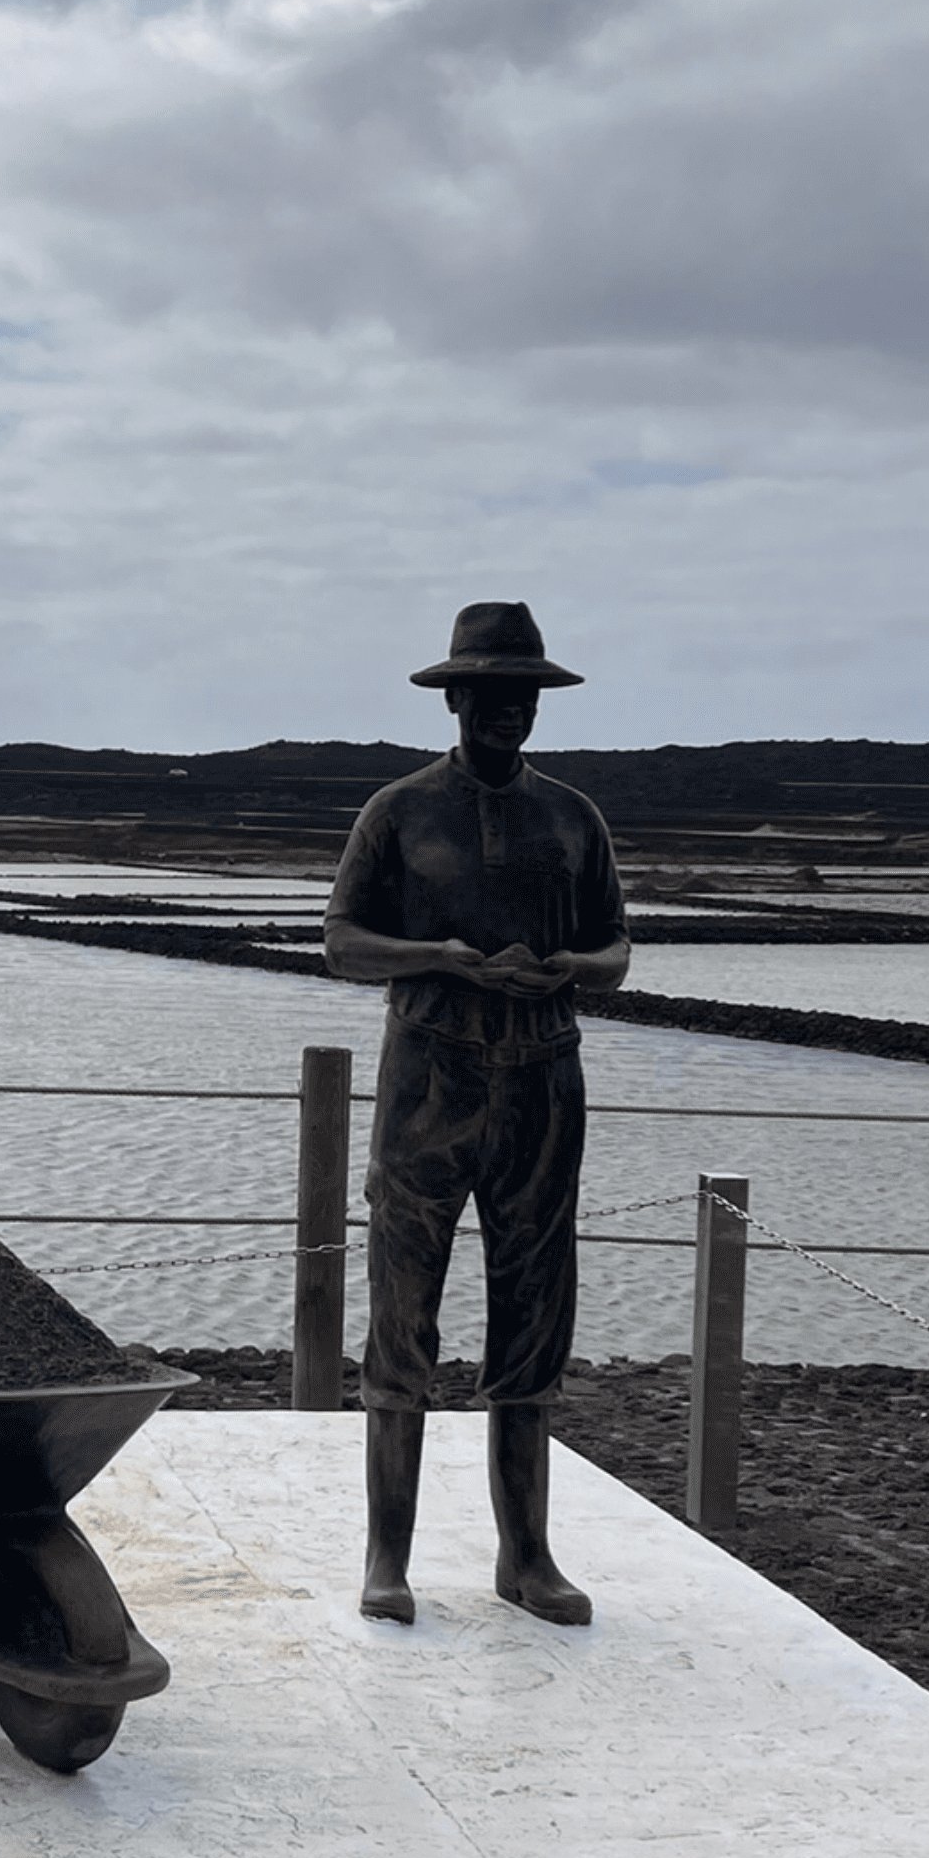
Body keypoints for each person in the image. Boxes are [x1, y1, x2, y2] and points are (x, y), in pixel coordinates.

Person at [322, 601, 631, 1628]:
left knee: (536, 1310)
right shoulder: (400, 811)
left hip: (544, 1081)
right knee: (401, 1310)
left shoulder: (573, 818)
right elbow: (343, 944)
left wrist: (567, 972)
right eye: (494, 696)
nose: (511, 713)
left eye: (526, 697)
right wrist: (439, 959)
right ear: (455, 699)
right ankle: (387, 1555)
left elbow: (615, 953)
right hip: (430, 1080)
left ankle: (527, 1556)